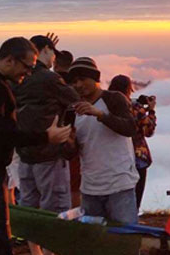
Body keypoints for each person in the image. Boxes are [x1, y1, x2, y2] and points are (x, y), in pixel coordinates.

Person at [0, 37, 72, 255]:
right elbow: (1, 135)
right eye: (27, 67)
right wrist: (46, 136)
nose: (28, 74)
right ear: (9, 60)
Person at [14, 35, 79, 255]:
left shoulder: (18, 78)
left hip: (25, 152)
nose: (53, 58)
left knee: (29, 208)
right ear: (42, 51)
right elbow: (75, 99)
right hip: (49, 153)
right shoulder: (49, 79)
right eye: (52, 52)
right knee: (55, 210)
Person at [67, 58, 139, 224]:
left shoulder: (113, 99)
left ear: (95, 79)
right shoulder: (73, 110)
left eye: (82, 79)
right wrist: (68, 142)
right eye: (74, 81)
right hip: (90, 187)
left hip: (120, 184)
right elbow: (72, 152)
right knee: (94, 242)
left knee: (124, 240)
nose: (78, 85)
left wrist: (100, 115)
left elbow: (130, 128)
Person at [108, 74, 157, 211]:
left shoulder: (107, 105)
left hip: (112, 156)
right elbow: (148, 130)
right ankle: (132, 218)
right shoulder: (135, 108)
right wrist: (151, 110)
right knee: (135, 195)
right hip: (137, 156)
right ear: (128, 89)